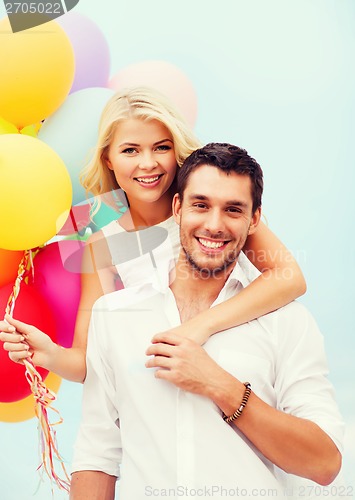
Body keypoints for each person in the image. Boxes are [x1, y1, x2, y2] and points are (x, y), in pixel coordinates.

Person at [69, 143, 343, 500]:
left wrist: (220, 386)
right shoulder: (114, 317)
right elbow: (97, 454)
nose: (214, 225)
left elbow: (323, 464)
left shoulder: (287, 322)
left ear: (254, 219)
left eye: (233, 210)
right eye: (201, 205)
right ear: (178, 207)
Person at [0, 87, 306, 384]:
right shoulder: (101, 241)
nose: (148, 163)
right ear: (108, 158)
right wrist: (49, 354)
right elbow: (87, 363)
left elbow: (290, 277)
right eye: (130, 150)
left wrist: (201, 327)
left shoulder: (209, 205)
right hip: (164, 390)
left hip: (244, 373)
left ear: (176, 150)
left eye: (161, 147)